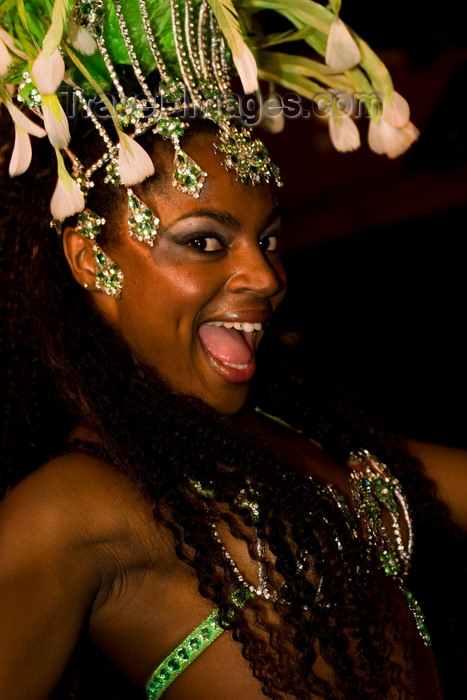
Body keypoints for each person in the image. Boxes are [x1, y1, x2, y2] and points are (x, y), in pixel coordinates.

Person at [0, 1, 465, 699]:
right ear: (92, 259)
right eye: (204, 242)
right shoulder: (71, 507)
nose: (266, 276)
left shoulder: (291, 437)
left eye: (268, 239)